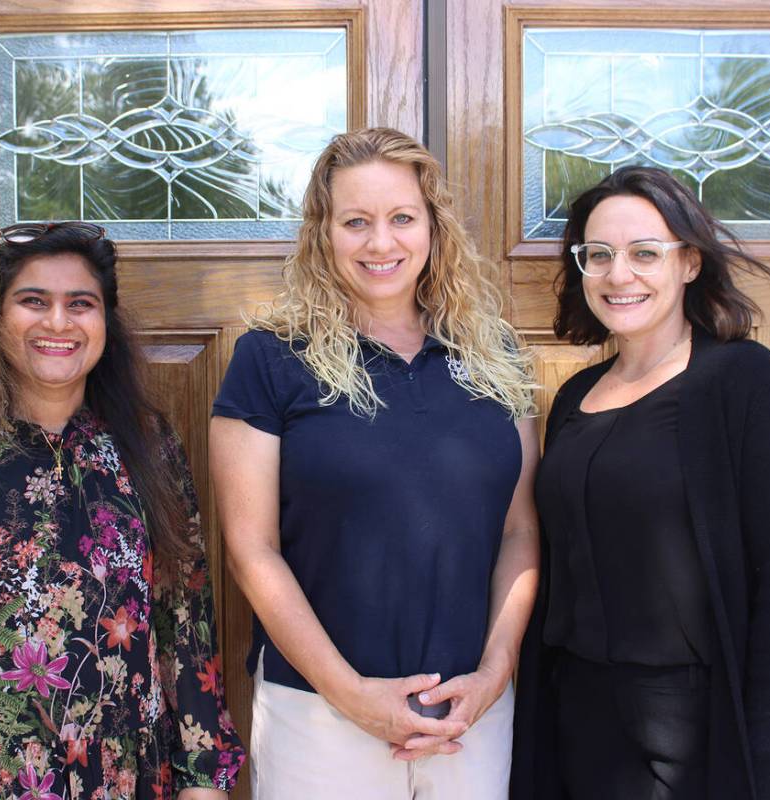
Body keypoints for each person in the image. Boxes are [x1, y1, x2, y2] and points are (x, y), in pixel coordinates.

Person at [0, 222, 244, 799]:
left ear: (105, 319)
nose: (59, 323)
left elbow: (184, 618)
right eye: (34, 302)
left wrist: (203, 779)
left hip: (128, 780)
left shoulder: (147, 446)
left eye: (81, 304)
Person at [209, 127, 539, 799]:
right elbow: (251, 551)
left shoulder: (494, 354)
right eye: (356, 221)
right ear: (323, 232)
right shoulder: (271, 358)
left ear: (433, 227)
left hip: (468, 714)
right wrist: (350, 694)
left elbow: (519, 532)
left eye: (401, 219)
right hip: (319, 718)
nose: (381, 243)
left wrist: (495, 673)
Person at [510, 166, 770, 800]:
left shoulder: (745, 383)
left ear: (689, 264)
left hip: (693, 726)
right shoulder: (574, 397)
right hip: (575, 716)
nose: (618, 275)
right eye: (597, 255)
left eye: (644, 253)